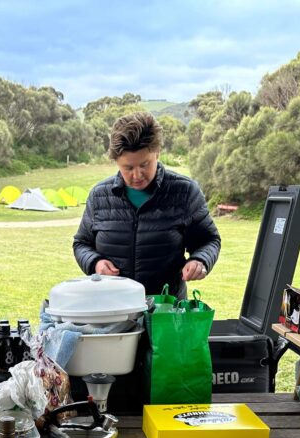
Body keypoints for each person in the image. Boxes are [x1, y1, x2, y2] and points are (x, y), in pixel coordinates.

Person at [73, 111, 221, 298]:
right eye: (128, 168)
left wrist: (200, 260)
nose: (137, 175)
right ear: (116, 161)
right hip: (111, 310)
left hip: (166, 312)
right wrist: (95, 263)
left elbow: (209, 240)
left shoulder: (185, 192)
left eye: (144, 164)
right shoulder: (99, 196)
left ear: (157, 153)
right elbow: (81, 243)